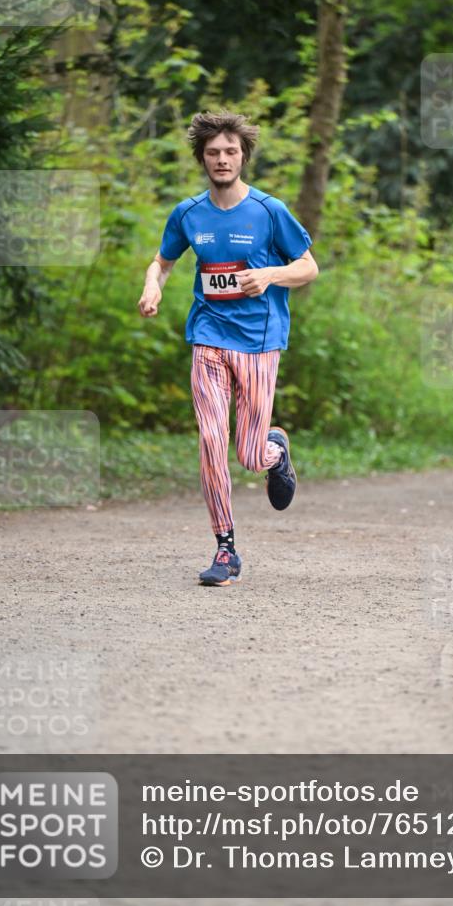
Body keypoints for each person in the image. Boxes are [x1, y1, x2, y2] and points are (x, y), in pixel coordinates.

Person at [138, 110, 318, 585]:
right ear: (202, 157)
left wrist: (270, 274)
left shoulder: (268, 210)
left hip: (259, 342)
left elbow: (308, 267)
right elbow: (162, 262)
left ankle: (274, 451)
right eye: (213, 152)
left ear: (243, 157)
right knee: (212, 441)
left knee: (248, 454)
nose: (222, 159)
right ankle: (225, 549)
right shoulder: (188, 213)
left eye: (231, 152)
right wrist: (153, 287)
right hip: (208, 338)